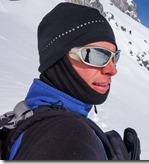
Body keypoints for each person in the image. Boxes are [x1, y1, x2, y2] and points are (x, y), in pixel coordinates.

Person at [0, 2, 140, 160]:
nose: (112, 70)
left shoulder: (32, 114)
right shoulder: (68, 137)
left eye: (114, 57)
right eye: (97, 55)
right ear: (59, 56)